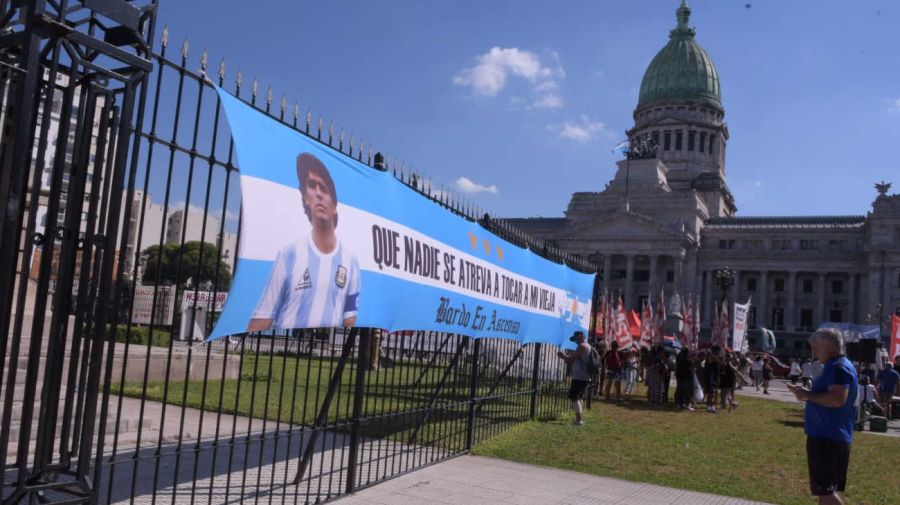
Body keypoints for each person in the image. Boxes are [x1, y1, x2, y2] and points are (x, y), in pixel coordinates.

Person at [248, 153, 360, 331]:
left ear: (334, 203)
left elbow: (350, 320)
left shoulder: (351, 261)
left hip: (332, 356)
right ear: (305, 198)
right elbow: (263, 317)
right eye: (311, 186)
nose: (318, 193)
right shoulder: (289, 254)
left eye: (324, 188)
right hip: (285, 349)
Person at [787, 328, 858, 505]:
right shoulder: (842, 365)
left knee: (826, 491)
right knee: (826, 491)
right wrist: (807, 394)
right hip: (834, 435)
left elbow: (837, 399)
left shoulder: (836, 367)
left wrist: (807, 396)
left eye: (816, 348)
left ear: (828, 346)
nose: (814, 353)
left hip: (826, 436)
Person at [557, 331, 592, 426]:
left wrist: (562, 356)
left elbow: (570, 360)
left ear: (580, 336)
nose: (575, 341)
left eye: (576, 338)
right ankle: (580, 419)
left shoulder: (582, 346)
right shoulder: (587, 346)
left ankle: (579, 420)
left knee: (574, 397)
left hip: (580, 375)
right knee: (579, 397)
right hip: (584, 375)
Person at [703, 347, 721, 413]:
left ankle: (710, 406)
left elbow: (719, 364)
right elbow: (711, 360)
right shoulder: (710, 357)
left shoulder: (717, 358)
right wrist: (715, 358)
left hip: (714, 377)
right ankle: (710, 406)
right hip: (710, 377)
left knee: (712, 393)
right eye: (718, 351)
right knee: (711, 393)